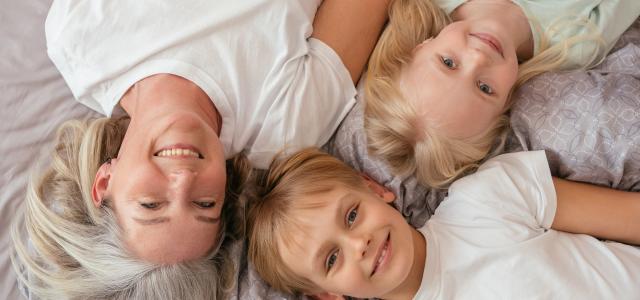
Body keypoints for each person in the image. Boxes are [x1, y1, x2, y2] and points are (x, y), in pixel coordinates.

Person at [11, 0, 390, 298]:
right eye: (204, 205)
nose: (182, 180)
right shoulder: (285, 123)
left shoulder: (79, 37)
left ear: (104, 182)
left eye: (151, 204)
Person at [247, 148, 640, 299]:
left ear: (374, 188)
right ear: (325, 295)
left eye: (351, 216)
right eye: (331, 259)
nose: (358, 245)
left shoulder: (487, 198)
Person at [364, 0, 640, 188]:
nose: (478, 57)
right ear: (507, 101)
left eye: (448, 62)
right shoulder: (576, 43)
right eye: (484, 88)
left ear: (420, 47)